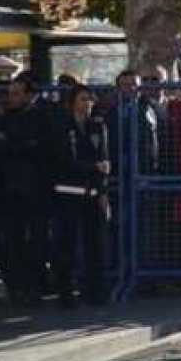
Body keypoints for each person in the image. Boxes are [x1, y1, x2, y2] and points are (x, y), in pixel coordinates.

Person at [49, 84, 110, 307]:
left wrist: (102, 190)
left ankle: (95, 291)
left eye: (90, 100)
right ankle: (66, 292)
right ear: (73, 101)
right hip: (68, 193)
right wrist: (93, 167)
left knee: (94, 244)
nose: (87, 104)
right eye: (83, 99)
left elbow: (104, 160)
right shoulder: (62, 126)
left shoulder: (97, 126)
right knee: (67, 245)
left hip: (92, 193)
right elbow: (63, 161)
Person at [0, 74, 51, 305]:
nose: (12, 98)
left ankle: (35, 285)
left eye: (17, 93)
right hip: (9, 190)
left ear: (29, 94)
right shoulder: (6, 118)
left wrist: (11, 145)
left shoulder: (41, 117)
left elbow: (36, 147)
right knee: (11, 240)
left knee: (35, 240)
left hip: (34, 189)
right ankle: (17, 286)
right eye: (10, 93)